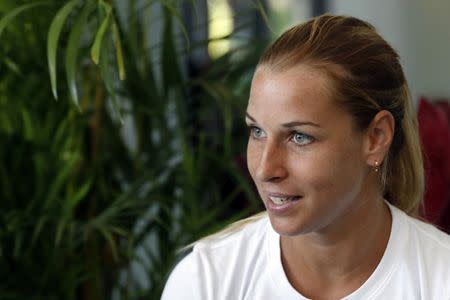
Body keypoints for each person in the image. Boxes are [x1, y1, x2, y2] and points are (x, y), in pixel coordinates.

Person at [161, 14, 450, 299]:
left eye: (299, 137)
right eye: (257, 131)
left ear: (376, 138)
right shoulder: (206, 282)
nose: (265, 169)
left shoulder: (440, 279)